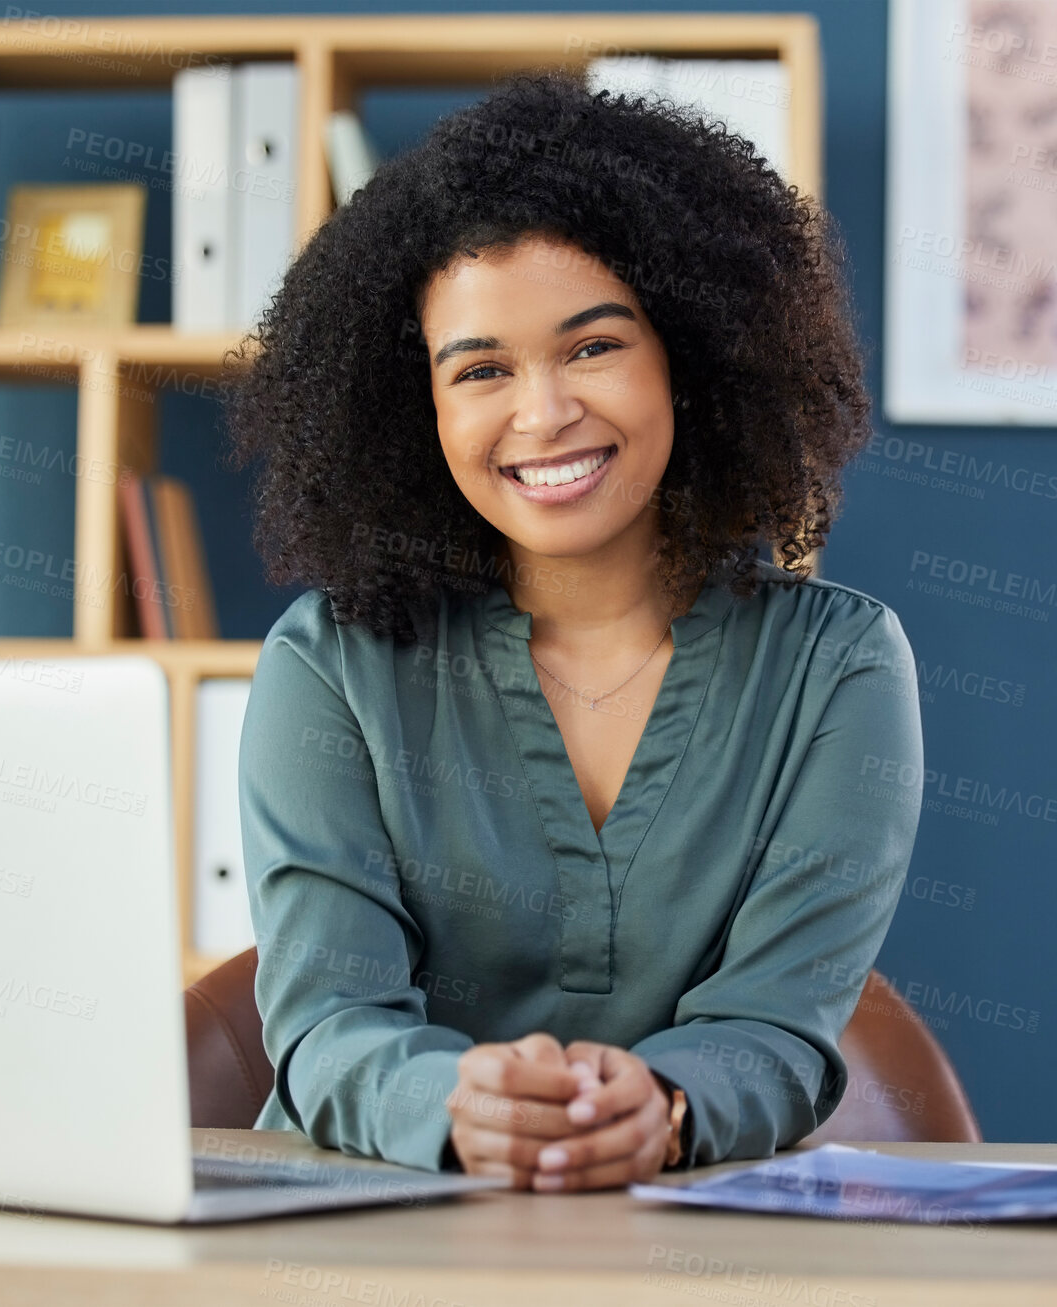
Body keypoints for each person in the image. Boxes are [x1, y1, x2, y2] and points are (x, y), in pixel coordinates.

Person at [221, 69, 923, 1192]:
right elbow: (326, 1019)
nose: (541, 413)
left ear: (685, 360)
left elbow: (779, 1023)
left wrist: (666, 1103)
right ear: (423, 410)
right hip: (361, 1242)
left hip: (682, 1246)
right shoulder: (329, 663)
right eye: (481, 368)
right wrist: (455, 1106)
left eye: (592, 346)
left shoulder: (836, 666)